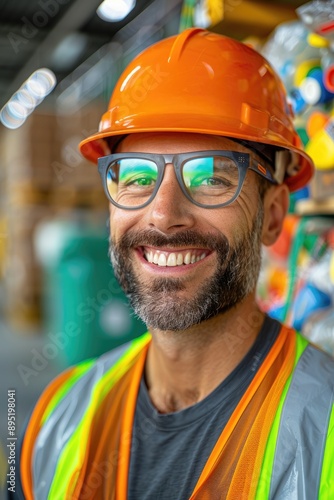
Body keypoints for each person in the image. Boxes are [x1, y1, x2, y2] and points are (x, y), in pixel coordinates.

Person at [17, 28, 334, 499]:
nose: (163, 215)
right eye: (137, 176)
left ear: (272, 216)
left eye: (210, 177)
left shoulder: (323, 427)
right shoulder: (58, 419)